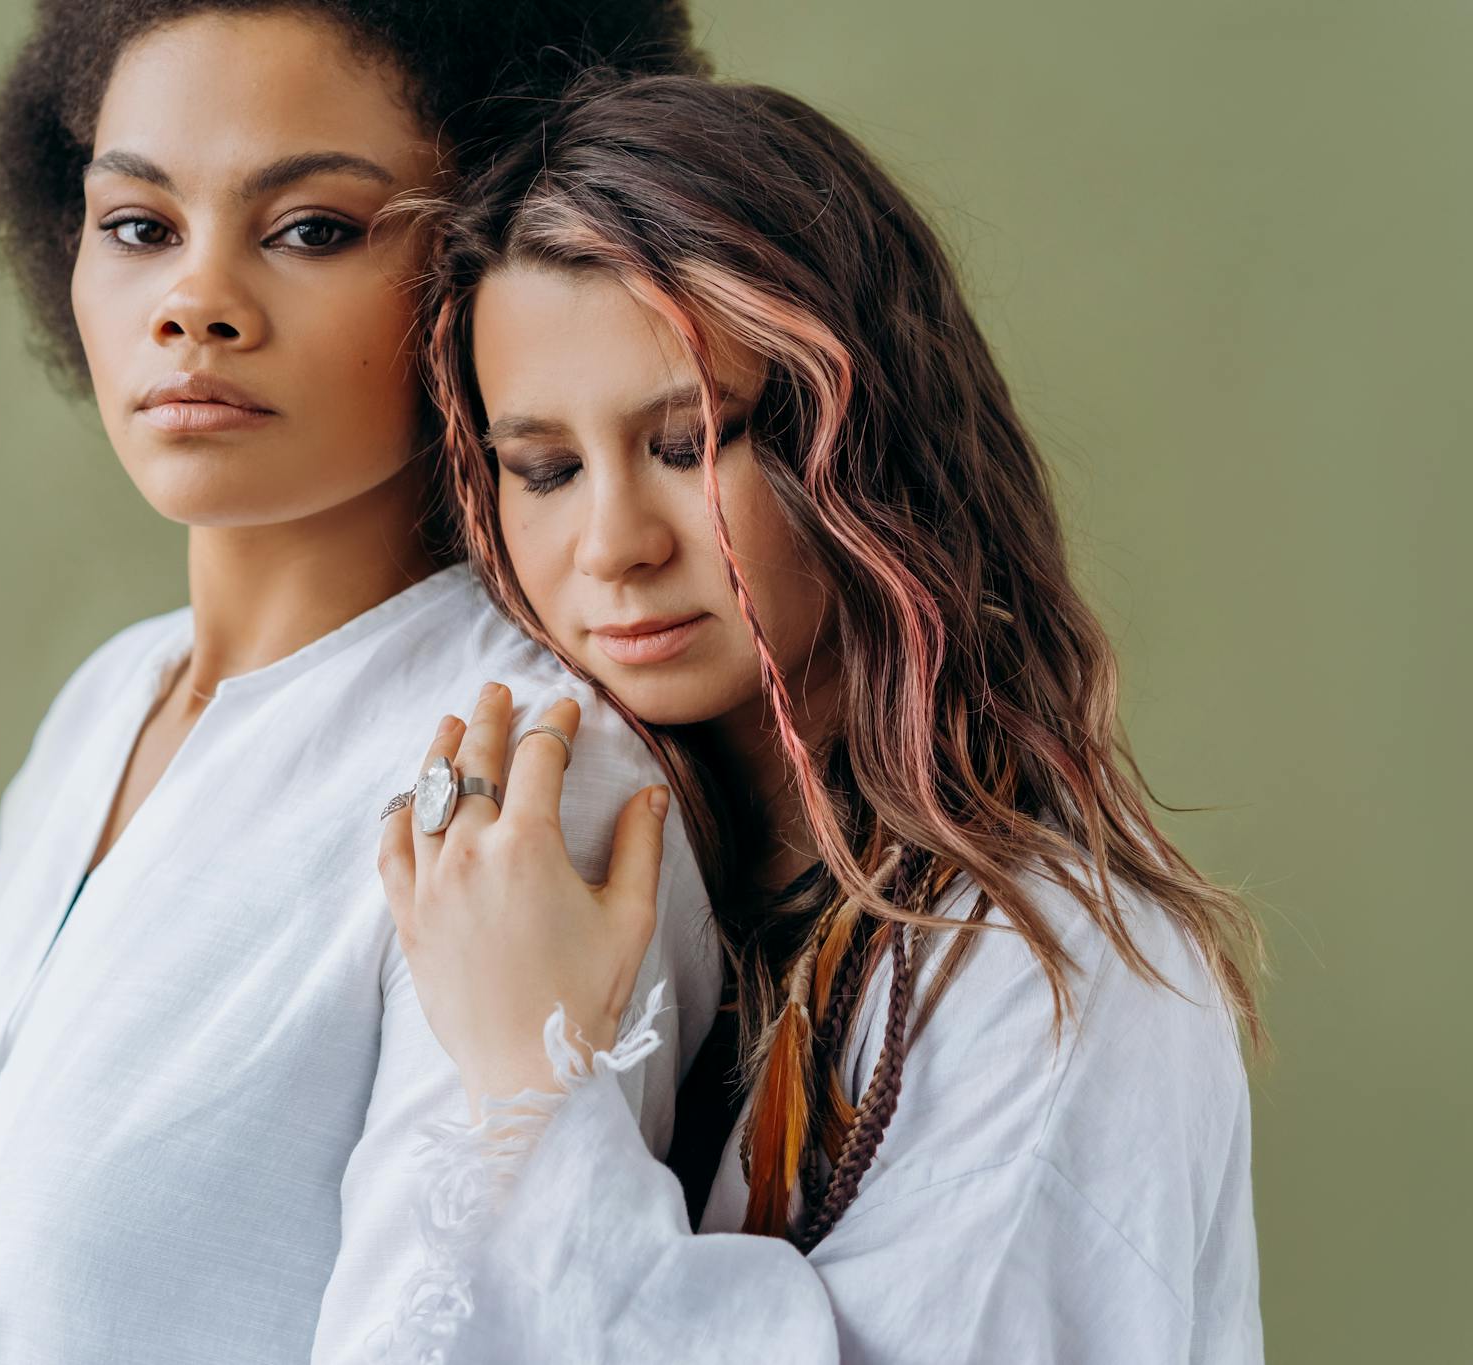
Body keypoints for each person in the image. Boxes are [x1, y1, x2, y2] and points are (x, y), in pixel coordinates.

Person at [0, 10, 724, 1364]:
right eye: (141, 226)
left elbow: (475, 1330)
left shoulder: (528, 772)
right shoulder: (108, 707)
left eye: (313, 228)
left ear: (486, 258)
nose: (195, 302)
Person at [375, 72, 1268, 1363]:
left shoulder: (1066, 980)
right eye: (548, 470)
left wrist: (534, 1090)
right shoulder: (572, 843)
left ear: (862, 439)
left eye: (689, 443)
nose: (613, 544)